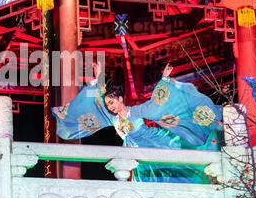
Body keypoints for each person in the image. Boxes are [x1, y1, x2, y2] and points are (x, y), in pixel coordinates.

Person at [52, 63, 223, 183]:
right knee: (148, 179)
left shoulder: (135, 111)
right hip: (135, 151)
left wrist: (164, 79)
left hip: (153, 143)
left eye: (112, 103)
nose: (110, 107)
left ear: (120, 99)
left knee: (180, 165)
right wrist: (98, 80)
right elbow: (96, 100)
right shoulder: (114, 119)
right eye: (108, 105)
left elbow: (155, 104)